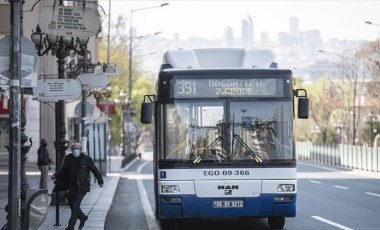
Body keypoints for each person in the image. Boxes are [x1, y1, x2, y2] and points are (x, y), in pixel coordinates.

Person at [51, 143, 104, 230]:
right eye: (74, 149)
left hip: (82, 187)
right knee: (72, 206)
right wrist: (55, 175)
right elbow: (63, 170)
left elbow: (94, 170)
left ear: (80, 149)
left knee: (75, 206)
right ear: (71, 150)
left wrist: (100, 181)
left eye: (77, 148)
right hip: (71, 186)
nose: (75, 150)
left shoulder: (86, 159)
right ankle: (83, 218)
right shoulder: (68, 158)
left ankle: (70, 227)